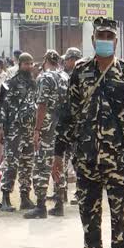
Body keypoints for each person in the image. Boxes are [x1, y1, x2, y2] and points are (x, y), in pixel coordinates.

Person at [52, 17, 124, 248]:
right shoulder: (80, 72)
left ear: (116, 41)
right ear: (93, 40)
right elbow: (67, 115)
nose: (105, 39)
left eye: (109, 35)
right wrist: (58, 154)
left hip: (118, 161)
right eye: (100, 35)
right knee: (89, 219)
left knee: (121, 218)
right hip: (86, 160)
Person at [25, 50, 67, 219]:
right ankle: (59, 204)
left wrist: (37, 130)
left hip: (47, 128)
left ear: (45, 61)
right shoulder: (65, 77)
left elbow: (41, 105)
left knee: (42, 165)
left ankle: (41, 206)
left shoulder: (44, 77)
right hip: (62, 128)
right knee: (58, 163)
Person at [0, 52, 36, 212]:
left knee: (27, 165)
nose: (28, 66)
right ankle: (5, 198)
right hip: (14, 130)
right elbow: (3, 108)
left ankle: (25, 197)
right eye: (26, 63)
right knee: (11, 165)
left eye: (30, 63)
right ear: (20, 65)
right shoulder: (10, 83)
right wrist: (1, 129)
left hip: (29, 130)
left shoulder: (34, 84)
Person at [52, 48, 83, 213]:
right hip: (70, 127)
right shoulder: (67, 76)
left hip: (73, 127)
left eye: (67, 59)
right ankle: (64, 194)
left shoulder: (75, 77)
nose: (65, 62)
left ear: (73, 59)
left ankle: (66, 194)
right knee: (65, 161)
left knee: (72, 161)